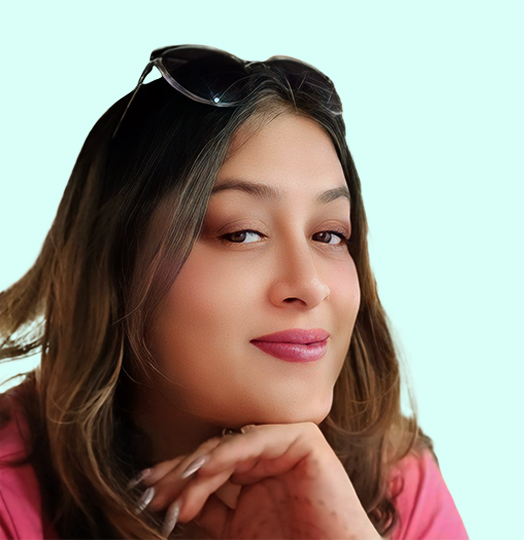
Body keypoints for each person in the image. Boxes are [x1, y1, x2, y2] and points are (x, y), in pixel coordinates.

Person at [0, 45, 469, 539]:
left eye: (329, 235)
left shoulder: (399, 480)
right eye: (242, 233)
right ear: (114, 262)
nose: (309, 286)